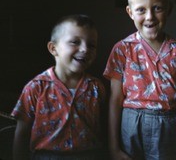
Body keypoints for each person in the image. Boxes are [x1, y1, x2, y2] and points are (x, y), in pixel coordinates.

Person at [103, 0, 176, 160]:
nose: (150, 17)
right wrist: (113, 148)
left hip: (169, 125)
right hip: (130, 124)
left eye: (157, 8)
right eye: (141, 10)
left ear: (169, 9)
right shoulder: (122, 49)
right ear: (130, 12)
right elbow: (115, 100)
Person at [11, 14, 106, 160]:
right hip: (46, 155)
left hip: (89, 155)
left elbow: (104, 129)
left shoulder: (96, 87)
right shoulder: (36, 87)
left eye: (91, 45)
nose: (85, 49)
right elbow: (22, 132)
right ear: (53, 48)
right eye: (75, 42)